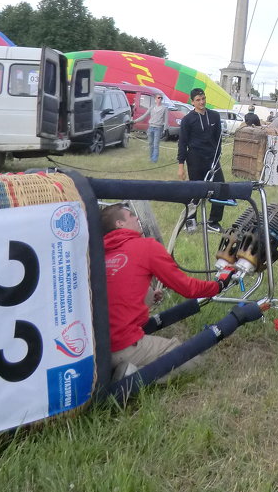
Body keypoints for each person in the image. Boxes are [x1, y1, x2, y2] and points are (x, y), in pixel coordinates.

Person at [102, 203, 232, 379]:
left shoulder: (98, 254)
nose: (136, 218)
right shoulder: (145, 247)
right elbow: (186, 288)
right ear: (120, 223)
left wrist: (149, 294)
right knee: (192, 360)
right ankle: (132, 377)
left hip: (99, 351)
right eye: (131, 215)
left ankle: (120, 366)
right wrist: (218, 285)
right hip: (123, 345)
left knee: (147, 291)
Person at [177, 88, 226, 232]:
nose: (202, 102)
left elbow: (218, 140)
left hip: (212, 159)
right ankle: (191, 221)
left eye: (203, 98)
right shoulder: (187, 120)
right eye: (198, 100)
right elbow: (182, 143)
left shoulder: (215, 116)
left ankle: (213, 222)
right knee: (195, 191)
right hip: (195, 159)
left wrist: (217, 157)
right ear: (192, 102)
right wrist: (181, 166)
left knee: (221, 189)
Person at [146, 94, 168, 163]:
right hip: (150, 127)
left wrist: (165, 129)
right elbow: (144, 115)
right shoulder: (152, 107)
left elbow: (166, 120)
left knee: (156, 144)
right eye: (158, 98)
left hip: (158, 128)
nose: (160, 99)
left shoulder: (164, 108)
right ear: (155, 99)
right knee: (150, 143)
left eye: (161, 98)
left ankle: (154, 160)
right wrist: (134, 121)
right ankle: (151, 157)